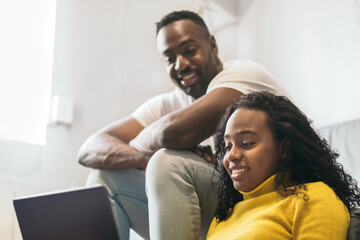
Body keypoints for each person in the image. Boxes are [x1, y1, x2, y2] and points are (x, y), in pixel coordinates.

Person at [77, 10, 289, 240]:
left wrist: (156, 148)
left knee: (167, 161)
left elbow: (173, 132)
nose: (181, 65)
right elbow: (90, 148)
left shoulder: (243, 75)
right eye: (170, 58)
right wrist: (144, 158)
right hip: (216, 209)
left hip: (263, 203)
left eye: (189, 51)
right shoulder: (169, 103)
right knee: (103, 178)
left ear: (212, 45)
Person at [207, 91, 360, 240]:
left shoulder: (312, 198)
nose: (232, 155)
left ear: (284, 147)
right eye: (227, 146)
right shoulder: (224, 215)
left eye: (247, 143)